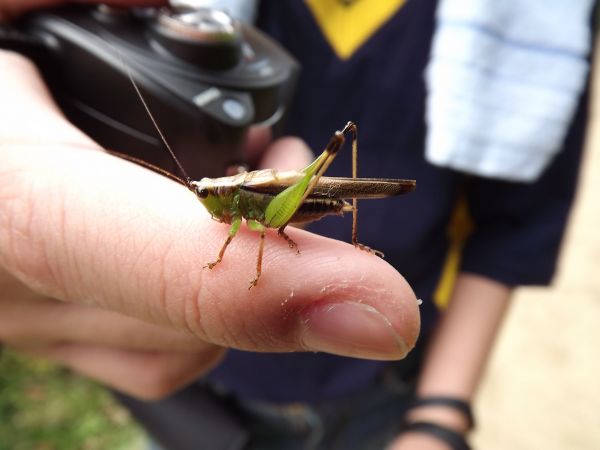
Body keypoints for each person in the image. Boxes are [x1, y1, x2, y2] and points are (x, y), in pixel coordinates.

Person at [0, 1, 593, 449]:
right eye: (204, 196)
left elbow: (517, 229)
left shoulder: (546, 25)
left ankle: (352, 236)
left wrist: (439, 415)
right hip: (203, 403)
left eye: (208, 195)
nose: (206, 201)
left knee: (302, 182)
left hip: (380, 387)